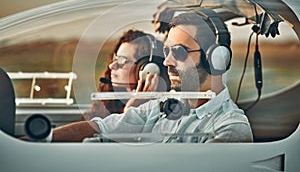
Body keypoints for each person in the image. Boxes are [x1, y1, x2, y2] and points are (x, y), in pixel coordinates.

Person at [46, 11, 253, 143]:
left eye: (179, 52)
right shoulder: (161, 106)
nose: (167, 61)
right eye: (167, 51)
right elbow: (101, 128)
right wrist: (38, 141)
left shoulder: (230, 128)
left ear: (216, 59)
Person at [81, 29, 170, 120]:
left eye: (121, 60)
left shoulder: (163, 113)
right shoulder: (107, 106)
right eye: (115, 58)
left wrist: (130, 111)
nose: (112, 66)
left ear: (147, 69)